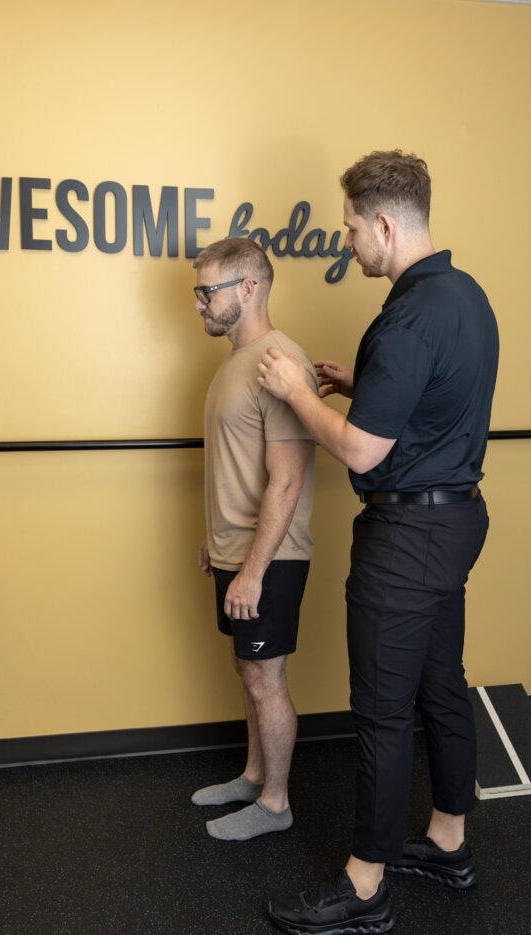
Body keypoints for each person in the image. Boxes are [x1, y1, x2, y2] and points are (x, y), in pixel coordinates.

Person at [257, 149, 499, 935]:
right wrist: (365, 390)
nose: (347, 242)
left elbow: (361, 451)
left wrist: (297, 393)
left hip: (406, 536)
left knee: (382, 711)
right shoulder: (465, 297)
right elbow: (436, 404)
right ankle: (448, 841)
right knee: (439, 685)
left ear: (385, 226)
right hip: (454, 521)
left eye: (351, 228)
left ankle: (363, 887)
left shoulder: (407, 315)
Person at [191, 237, 317, 842]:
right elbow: (236, 466)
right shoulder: (235, 363)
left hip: (269, 558)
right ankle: (253, 776)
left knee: (266, 678)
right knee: (248, 669)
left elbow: (287, 481)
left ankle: (275, 802)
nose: (199, 304)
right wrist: (215, 541)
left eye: (207, 292)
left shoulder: (278, 361)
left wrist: (252, 571)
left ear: (248, 288)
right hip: (235, 550)